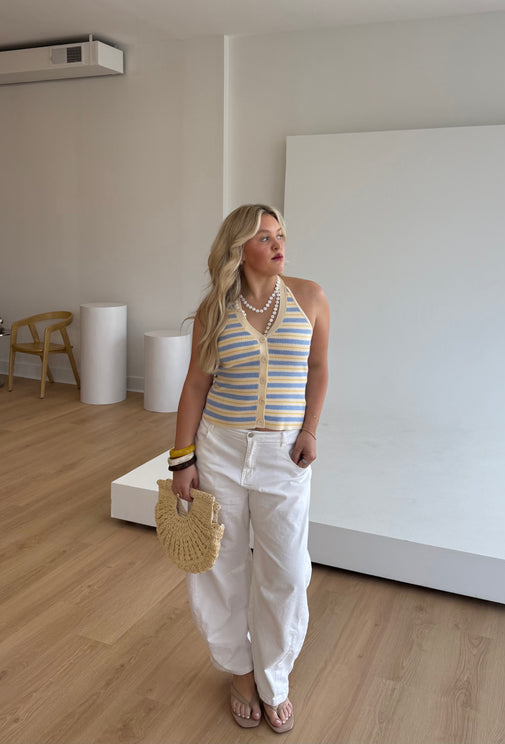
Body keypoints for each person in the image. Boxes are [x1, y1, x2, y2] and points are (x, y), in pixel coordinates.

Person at [170, 204, 329, 733]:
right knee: (222, 567)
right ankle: (240, 671)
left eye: (280, 234)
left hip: (284, 455)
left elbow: (318, 369)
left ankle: (273, 677)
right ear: (238, 250)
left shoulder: (310, 297)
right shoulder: (214, 310)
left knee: (287, 571)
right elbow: (196, 385)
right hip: (220, 449)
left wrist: (309, 430)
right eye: (264, 237)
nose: (279, 245)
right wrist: (182, 460)